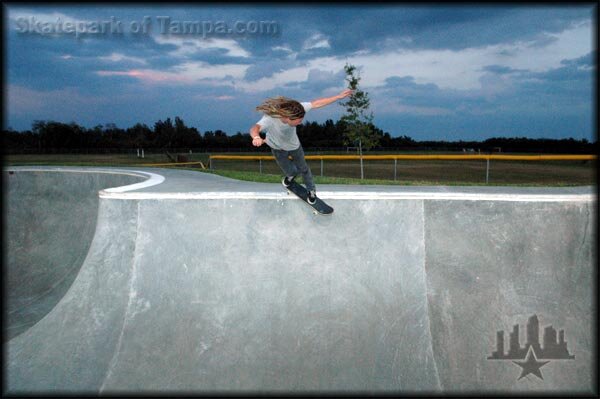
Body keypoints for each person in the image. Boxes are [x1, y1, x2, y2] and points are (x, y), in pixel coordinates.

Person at [250, 89, 353, 204]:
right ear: (288, 117)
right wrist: (256, 137)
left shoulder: (297, 109)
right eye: (298, 121)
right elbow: (255, 128)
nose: (300, 123)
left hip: (294, 146)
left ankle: (311, 190)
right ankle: (291, 176)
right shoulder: (270, 118)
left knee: (304, 169)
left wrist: (338, 97)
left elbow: (316, 103)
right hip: (277, 148)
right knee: (290, 171)